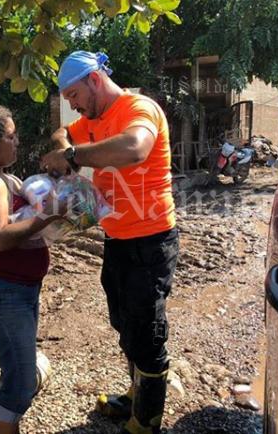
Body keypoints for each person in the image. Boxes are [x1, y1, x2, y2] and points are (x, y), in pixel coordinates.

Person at [40, 51, 179, 434]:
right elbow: (64, 133)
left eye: (74, 95)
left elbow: (134, 148)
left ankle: (146, 422)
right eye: (67, 99)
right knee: (124, 322)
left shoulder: (139, 109)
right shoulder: (91, 119)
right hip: (117, 237)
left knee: (147, 330)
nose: (72, 104)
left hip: (151, 241)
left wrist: (72, 155)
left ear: (95, 80)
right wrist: (62, 144)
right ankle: (135, 396)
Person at [0, 103, 65, 434]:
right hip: (3, 292)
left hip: (16, 289)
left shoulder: (5, 179)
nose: (17, 141)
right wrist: (48, 215)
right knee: (20, 380)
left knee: (17, 370)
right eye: (11, 136)